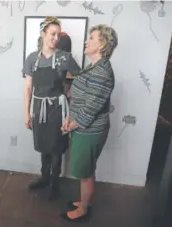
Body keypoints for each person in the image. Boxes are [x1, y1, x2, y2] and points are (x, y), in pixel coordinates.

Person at [61, 24, 118, 221]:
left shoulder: (102, 73)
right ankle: (84, 201)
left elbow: (89, 110)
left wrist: (70, 125)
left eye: (91, 38)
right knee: (86, 168)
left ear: (102, 44)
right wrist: (69, 118)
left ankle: (83, 209)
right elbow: (81, 99)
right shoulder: (94, 66)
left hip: (90, 130)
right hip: (83, 128)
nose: (86, 41)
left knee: (84, 172)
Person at [22, 16, 81, 200]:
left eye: (58, 34)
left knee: (56, 147)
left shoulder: (65, 58)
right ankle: (45, 177)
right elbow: (28, 88)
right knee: (43, 145)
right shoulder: (32, 59)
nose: (56, 38)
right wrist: (26, 112)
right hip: (39, 107)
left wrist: (68, 96)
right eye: (52, 34)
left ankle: (54, 184)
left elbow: (80, 79)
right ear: (43, 34)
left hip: (58, 108)